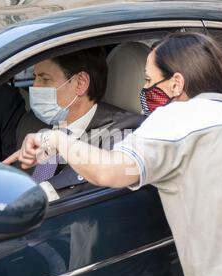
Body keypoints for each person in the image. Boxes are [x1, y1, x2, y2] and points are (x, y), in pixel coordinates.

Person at [5, 32, 222, 276]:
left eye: (150, 81)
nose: (144, 92)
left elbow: (108, 171)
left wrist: (56, 141)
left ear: (176, 83)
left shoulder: (176, 118)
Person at [8, 47, 145, 201]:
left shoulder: (122, 134)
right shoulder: (30, 124)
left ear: (80, 83)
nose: (35, 87)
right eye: (35, 78)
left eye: (45, 79)